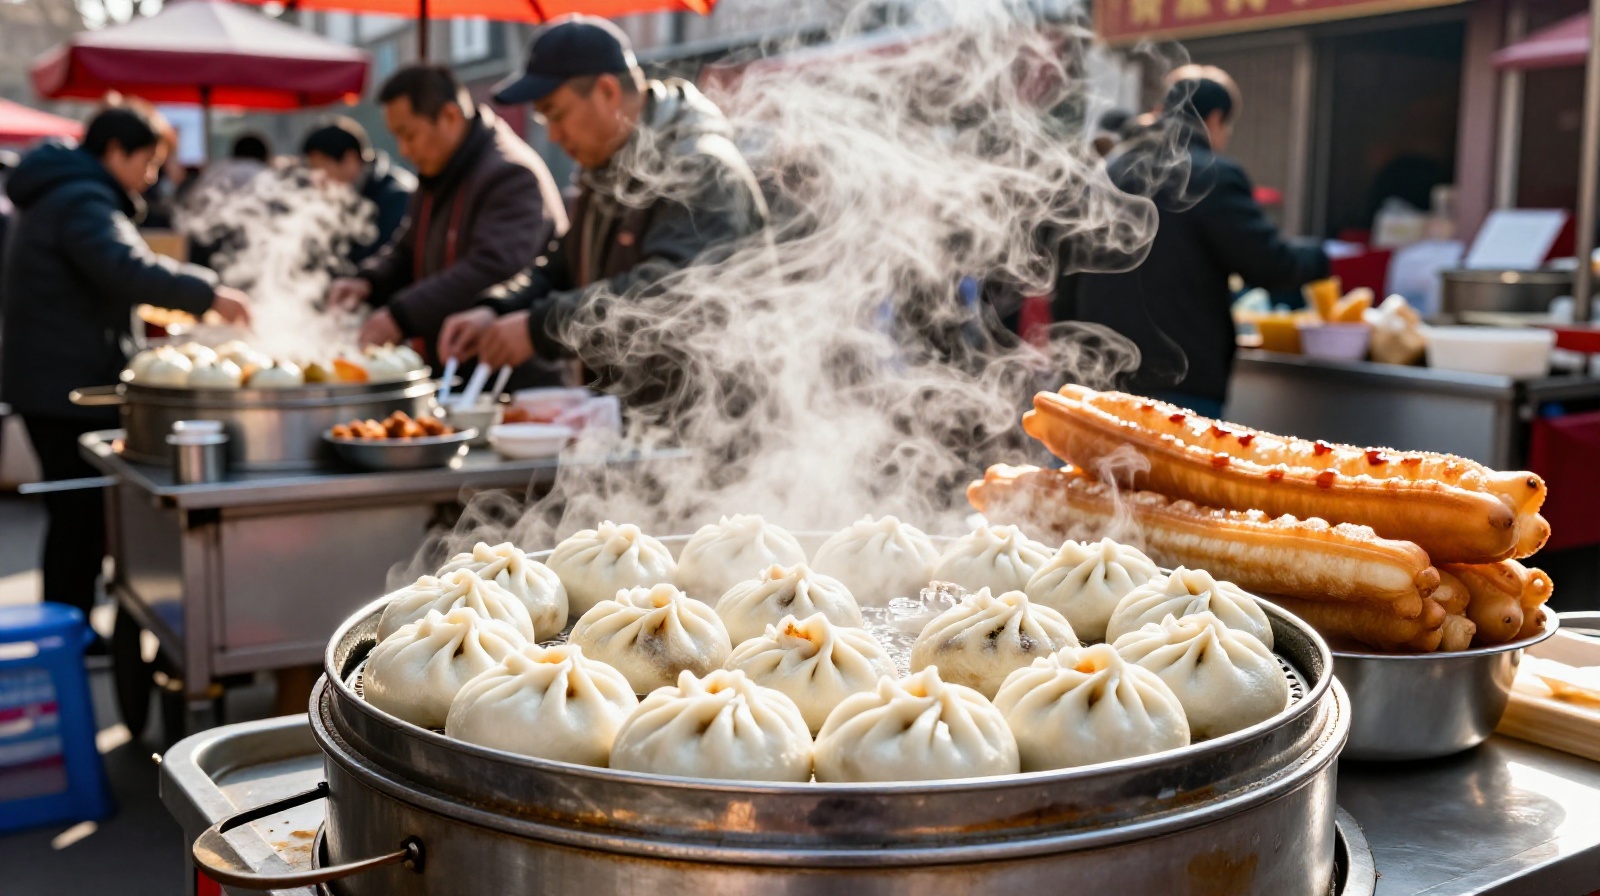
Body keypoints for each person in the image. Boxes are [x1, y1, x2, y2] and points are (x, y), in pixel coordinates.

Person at [0, 103, 251, 633]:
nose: (153, 176)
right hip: (66, 388)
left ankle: (72, 622)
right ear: (115, 152)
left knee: (79, 516)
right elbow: (127, 269)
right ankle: (71, 627)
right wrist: (210, 294)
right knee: (79, 518)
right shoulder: (81, 200)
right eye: (149, 161)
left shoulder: (61, 192)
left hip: (53, 379)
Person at [436, 15, 768, 405]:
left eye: (556, 114)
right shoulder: (605, 167)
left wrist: (538, 329)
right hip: (634, 421)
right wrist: (499, 308)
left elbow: (670, 293)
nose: (554, 135)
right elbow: (563, 264)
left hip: (713, 421)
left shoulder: (698, 164)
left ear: (608, 91)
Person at [1062, 66, 1328, 417]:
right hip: (1180, 382)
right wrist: (1325, 257)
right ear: (1215, 119)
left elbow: (1067, 274)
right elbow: (1270, 264)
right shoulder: (1212, 174)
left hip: (1100, 378)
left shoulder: (1109, 171)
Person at [325, 65, 566, 358]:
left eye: (408, 134)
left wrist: (400, 316)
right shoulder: (437, 172)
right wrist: (368, 282)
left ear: (449, 116)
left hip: (509, 374)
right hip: (454, 365)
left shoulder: (510, 173)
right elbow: (408, 249)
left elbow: (492, 268)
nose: (403, 150)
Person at [303, 117, 417, 265]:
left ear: (350, 159)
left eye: (320, 169)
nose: (316, 179)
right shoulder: (341, 197)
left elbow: (387, 260)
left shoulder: (397, 196)